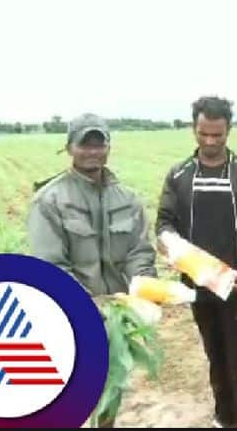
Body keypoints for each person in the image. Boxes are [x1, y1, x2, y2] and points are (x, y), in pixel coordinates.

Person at [26, 112, 158, 427]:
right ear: (70, 147)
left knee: (111, 387)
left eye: (100, 144)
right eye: (85, 144)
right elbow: (50, 268)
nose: (93, 151)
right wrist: (88, 305)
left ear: (109, 148)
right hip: (70, 313)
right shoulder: (50, 201)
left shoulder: (126, 198)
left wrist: (141, 289)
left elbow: (140, 250)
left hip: (116, 315)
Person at [155, 96, 237, 428]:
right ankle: (224, 416)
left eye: (217, 135)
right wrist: (171, 247)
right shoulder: (179, 176)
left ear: (228, 130)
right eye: (203, 133)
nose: (210, 141)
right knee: (215, 355)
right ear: (194, 128)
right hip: (199, 285)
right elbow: (164, 222)